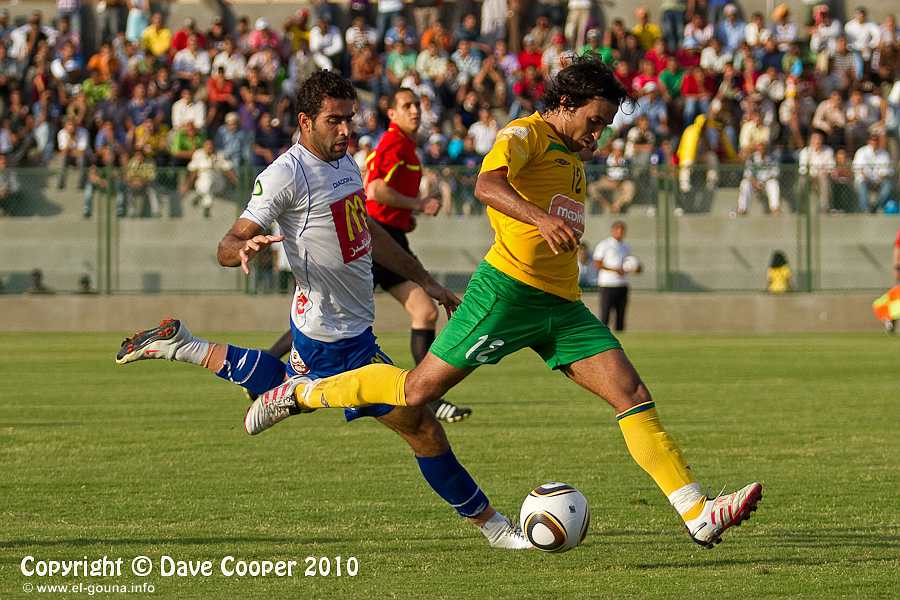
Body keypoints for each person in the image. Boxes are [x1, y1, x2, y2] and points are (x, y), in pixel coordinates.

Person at [244, 58, 763, 550]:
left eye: (604, 125)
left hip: (561, 304)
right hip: (508, 292)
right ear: (564, 102)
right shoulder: (525, 134)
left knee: (630, 391)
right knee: (416, 390)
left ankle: (696, 511)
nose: (597, 134)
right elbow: (486, 184)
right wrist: (539, 219)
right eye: (593, 121)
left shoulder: (572, 157)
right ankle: (301, 394)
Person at [115, 71, 528, 550]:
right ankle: (494, 528)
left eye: (350, 119)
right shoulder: (284, 174)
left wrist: (425, 279)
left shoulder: (345, 163)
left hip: (353, 330)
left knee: (297, 392)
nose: (346, 130)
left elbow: (369, 235)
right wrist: (242, 249)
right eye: (335, 120)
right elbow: (228, 242)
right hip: (326, 333)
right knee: (419, 424)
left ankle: (186, 347)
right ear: (306, 121)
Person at [363, 88, 472, 423]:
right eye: (406, 106)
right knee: (329, 315)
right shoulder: (394, 142)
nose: (415, 111)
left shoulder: (407, 145)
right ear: (392, 113)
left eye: (417, 105)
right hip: (374, 238)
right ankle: (266, 370)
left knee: (424, 312)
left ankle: (428, 395)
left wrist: (405, 216)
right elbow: (375, 189)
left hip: (389, 234)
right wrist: (418, 204)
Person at [593, 221, 638, 331]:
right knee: (605, 314)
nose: (620, 232)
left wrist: (632, 268)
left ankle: (620, 337)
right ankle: (604, 339)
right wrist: (614, 270)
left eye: (622, 230)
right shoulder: (605, 244)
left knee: (621, 315)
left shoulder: (626, 246)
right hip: (608, 284)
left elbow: (628, 263)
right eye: (618, 229)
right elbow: (597, 263)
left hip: (622, 284)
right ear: (613, 230)